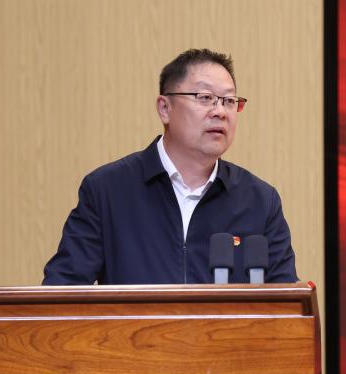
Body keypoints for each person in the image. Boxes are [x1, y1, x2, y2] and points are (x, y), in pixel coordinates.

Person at [42, 48, 297, 285]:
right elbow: (61, 295)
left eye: (229, 101)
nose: (220, 111)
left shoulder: (260, 201)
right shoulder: (107, 191)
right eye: (205, 98)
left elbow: (289, 306)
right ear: (164, 108)